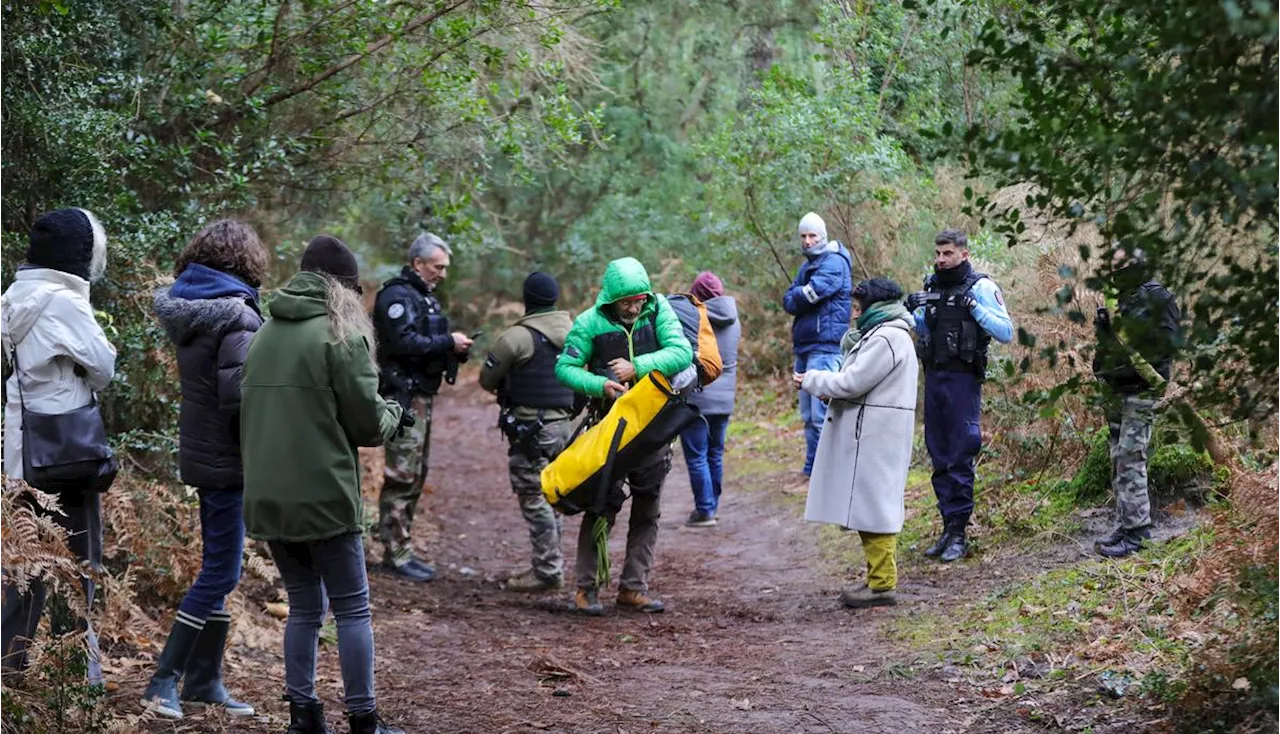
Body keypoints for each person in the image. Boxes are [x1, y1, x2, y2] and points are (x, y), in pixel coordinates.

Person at [241, 235, 408, 734]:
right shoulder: (341, 335)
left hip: (269, 496)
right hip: (325, 496)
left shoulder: (264, 333)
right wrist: (396, 413)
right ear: (343, 290)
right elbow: (367, 426)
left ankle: (304, 716)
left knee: (304, 607)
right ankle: (363, 719)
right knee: (352, 608)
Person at [143, 219, 266, 719]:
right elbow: (239, 396)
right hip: (227, 458)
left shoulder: (192, 308)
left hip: (204, 451)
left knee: (219, 563)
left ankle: (204, 680)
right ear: (245, 261)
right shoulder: (237, 315)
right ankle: (163, 680)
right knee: (222, 570)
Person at [0, 208, 116, 684]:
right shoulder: (64, 302)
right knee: (79, 564)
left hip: (20, 451)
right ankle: (77, 675)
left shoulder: (11, 297)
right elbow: (104, 365)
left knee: (24, 567)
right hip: (69, 450)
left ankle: (9, 668)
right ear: (80, 255)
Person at [555, 257, 693, 615]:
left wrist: (639, 367)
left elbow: (681, 353)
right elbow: (565, 367)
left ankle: (634, 588)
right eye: (628, 302)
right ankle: (587, 589)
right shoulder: (589, 322)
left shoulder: (658, 308)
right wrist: (601, 385)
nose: (636, 306)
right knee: (600, 506)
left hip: (653, 428)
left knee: (648, 508)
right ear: (611, 300)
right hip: (608, 429)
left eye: (640, 299)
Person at [796, 278, 917, 608]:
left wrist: (812, 379)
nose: (853, 312)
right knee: (870, 506)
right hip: (873, 431)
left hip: (876, 434)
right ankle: (877, 581)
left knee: (876, 507)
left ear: (872, 306)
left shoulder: (888, 337)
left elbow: (853, 381)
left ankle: (882, 586)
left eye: (857, 306)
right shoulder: (882, 334)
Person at [905, 229, 1014, 563]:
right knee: (938, 454)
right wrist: (913, 314)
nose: (941, 260)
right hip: (934, 378)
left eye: (947, 254)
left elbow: (1006, 332)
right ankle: (947, 526)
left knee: (961, 451)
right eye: (937, 254)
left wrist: (975, 310)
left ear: (964, 254)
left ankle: (960, 533)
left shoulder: (980, 287)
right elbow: (924, 329)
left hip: (964, 380)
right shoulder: (932, 286)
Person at [371, 233, 472, 582]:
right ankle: (395, 552)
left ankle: (402, 548)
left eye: (445, 267)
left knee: (416, 473)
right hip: (402, 398)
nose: (442, 273)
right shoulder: (397, 296)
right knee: (402, 474)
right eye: (437, 266)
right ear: (418, 264)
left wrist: (454, 348)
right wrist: (447, 341)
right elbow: (403, 342)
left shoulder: (424, 298)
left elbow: (425, 342)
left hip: (421, 397)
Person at [478, 272, 575, 593]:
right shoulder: (576, 333)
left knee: (534, 496)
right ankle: (548, 563)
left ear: (527, 300)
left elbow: (487, 380)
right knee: (553, 494)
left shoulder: (517, 338)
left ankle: (548, 570)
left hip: (532, 430)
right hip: (567, 427)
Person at [1091, 248, 1181, 558]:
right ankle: (1126, 524)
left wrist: (1134, 337)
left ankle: (1139, 532)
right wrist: (1105, 330)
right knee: (1118, 457)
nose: (1114, 269)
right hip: (1116, 386)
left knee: (1132, 456)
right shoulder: (1120, 297)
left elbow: (1171, 343)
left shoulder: (1157, 296)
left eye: (1120, 263)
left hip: (1142, 388)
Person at [782, 212, 853, 491]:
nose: (808, 241)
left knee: (820, 416)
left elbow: (810, 294)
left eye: (812, 236)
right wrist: (800, 294)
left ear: (823, 236)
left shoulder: (834, 262)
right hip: (807, 346)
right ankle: (812, 472)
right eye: (803, 236)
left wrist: (799, 294)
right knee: (808, 417)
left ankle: (827, 477)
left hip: (825, 345)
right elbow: (790, 300)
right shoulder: (809, 265)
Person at [678, 272, 741, 527]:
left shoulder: (693, 316)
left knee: (697, 455)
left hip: (698, 396)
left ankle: (704, 511)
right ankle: (712, 505)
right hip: (725, 397)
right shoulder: (734, 319)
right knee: (715, 454)